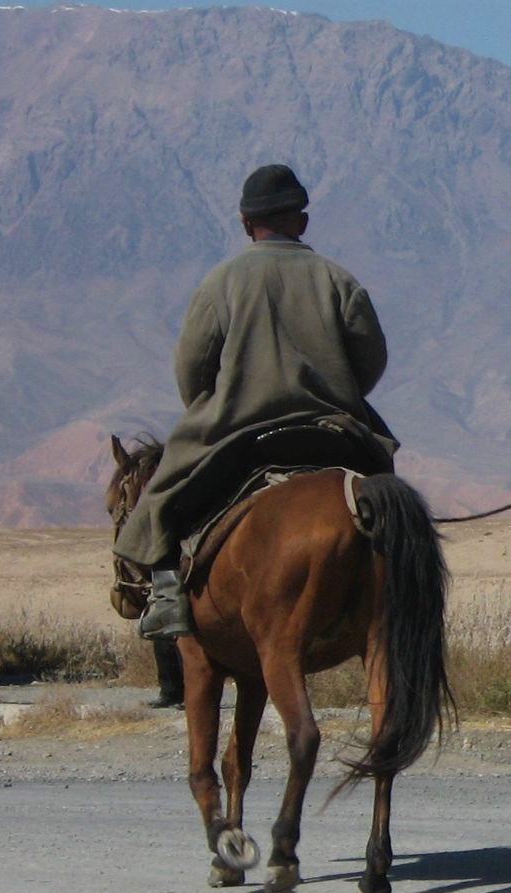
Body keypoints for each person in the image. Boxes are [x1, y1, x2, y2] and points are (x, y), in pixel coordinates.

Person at [113, 164, 397, 639]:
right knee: (391, 495)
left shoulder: (220, 282)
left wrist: (215, 404)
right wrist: (337, 392)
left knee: (161, 495)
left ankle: (166, 596)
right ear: (301, 222)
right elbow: (372, 358)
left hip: (243, 432)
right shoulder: (339, 280)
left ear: (246, 224)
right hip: (332, 430)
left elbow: (191, 372)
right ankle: (402, 588)